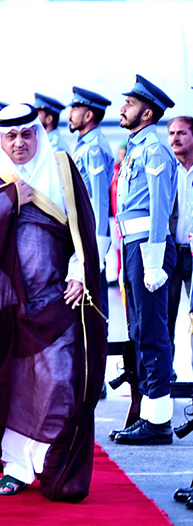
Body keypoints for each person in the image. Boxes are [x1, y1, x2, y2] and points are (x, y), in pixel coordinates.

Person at [0, 103, 106, 501]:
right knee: (14, 386)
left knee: (59, 382)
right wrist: (8, 200)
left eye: (27, 134)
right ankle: (17, 468)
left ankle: (52, 464)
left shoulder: (62, 169)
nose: (20, 143)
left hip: (57, 300)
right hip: (5, 306)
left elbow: (85, 231)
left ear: (38, 132)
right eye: (11, 136)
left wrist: (79, 273)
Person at [111, 75, 177, 446]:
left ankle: (159, 421)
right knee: (140, 331)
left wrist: (153, 260)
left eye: (130, 104)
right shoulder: (139, 145)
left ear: (147, 112)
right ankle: (151, 415)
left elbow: (159, 207)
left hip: (148, 246)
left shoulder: (154, 148)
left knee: (152, 332)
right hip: (133, 245)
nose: (122, 108)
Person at [68, 87, 114, 321]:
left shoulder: (94, 148)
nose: (70, 114)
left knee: (94, 305)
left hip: (90, 233)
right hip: (82, 230)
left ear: (88, 116)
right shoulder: (85, 144)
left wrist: (96, 246)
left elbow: (99, 200)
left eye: (76, 108)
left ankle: (98, 356)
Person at [166, 116, 193, 369]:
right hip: (170, 255)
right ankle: (164, 386)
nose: (175, 138)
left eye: (181, 133)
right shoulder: (165, 168)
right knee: (165, 322)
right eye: (171, 133)